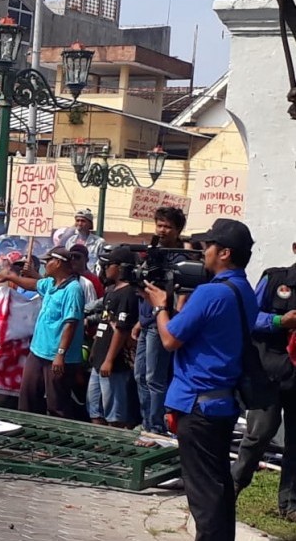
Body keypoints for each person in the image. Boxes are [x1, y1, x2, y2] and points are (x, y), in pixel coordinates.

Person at [142, 218, 258, 541]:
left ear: (224, 253)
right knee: (218, 487)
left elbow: (170, 339)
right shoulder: (244, 291)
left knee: (204, 495)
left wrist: (158, 308)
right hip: (221, 402)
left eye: (208, 246)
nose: (203, 252)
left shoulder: (210, 293)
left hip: (197, 405)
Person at [232, 242, 296, 523]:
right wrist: (280, 320)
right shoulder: (275, 278)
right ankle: (232, 487)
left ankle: (290, 505)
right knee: (260, 433)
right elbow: (250, 317)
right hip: (268, 370)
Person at [0, 247, 85, 419]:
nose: (45, 266)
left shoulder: (73, 289)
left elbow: (70, 323)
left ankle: (59, 438)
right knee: (28, 396)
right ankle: (27, 433)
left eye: (47, 262)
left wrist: (60, 354)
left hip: (58, 357)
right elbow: (34, 284)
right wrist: (10, 276)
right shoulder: (51, 283)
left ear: (58, 263)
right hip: (38, 351)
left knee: (56, 403)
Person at [133, 206, 188, 434]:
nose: (162, 230)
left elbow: (183, 295)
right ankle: (147, 422)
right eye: (160, 225)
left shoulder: (183, 259)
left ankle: (156, 427)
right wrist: (139, 321)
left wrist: (175, 315)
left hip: (162, 322)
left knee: (154, 378)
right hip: (146, 322)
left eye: (168, 226)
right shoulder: (154, 253)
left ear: (177, 230)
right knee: (140, 376)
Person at [87, 247, 138, 428]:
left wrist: (109, 360)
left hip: (115, 363)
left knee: (114, 410)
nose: (106, 268)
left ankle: (115, 441)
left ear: (121, 267)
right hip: (99, 358)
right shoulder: (110, 290)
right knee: (94, 404)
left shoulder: (129, 293)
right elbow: (104, 322)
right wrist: (95, 351)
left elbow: (122, 330)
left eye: (109, 264)